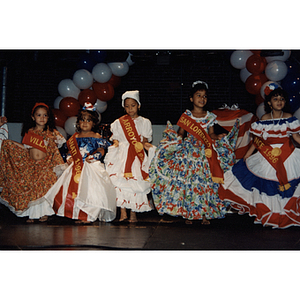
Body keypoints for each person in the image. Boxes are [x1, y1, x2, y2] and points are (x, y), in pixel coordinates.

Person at [149, 81, 239, 225]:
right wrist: (172, 141)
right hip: (188, 152)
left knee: (204, 183)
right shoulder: (186, 115)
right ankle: (188, 213)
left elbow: (211, 135)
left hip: (204, 153)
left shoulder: (209, 116)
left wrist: (219, 137)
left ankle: (204, 214)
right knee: (188, 183)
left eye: (204, 96)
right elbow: (181, 133)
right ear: (191, 98)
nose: (202, 99)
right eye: (199, 95)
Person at [219, 86, 300, 228]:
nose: (279, 102)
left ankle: (284, 213)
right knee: (268, 186)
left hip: (288, 156)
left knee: (285, 184)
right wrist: (248, 154)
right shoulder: (264, 119)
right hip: (267, 156)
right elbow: (258, 141)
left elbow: (296, 137)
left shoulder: (289, 117)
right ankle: (271, 213)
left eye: (281, 99)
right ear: (269, 103)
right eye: (275, 99)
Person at [43, 102, 116, 223]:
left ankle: (89, 215)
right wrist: (69, 157)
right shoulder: (74, 137)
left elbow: (102, 149)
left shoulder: (96, 136)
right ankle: (78, 214)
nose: (85, 123)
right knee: (73, 190)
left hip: (91, 166)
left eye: (88, 120)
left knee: (91, 191)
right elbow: (70, 151)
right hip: (76, 167)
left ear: (94, 123)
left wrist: (96, 156)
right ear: (78, 122)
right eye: (82, 120)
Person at [0, 102, 66, 222]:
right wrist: (10, 143)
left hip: (45, 165)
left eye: (45, 115)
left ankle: (44, 213)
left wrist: (53, 139)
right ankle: (31, 214)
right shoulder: (29, 132)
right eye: (39, 115)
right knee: (30, 188)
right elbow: (26, 148)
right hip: (31, 164)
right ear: (33, 117)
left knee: (43, 188)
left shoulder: (52, 132)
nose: (42, 118)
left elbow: (60, 143)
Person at [104, 90, 156, 223]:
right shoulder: (118, 122)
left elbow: (144, 140)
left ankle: (133, 211)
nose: (130, 108)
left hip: (136, 156)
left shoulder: (145, 122)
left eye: (133, 105)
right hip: (122, 155)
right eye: (127, 106)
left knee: (134, 182)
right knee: (120, 182)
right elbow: (116, 139)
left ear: (138, 105)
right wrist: (114, 146)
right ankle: (122, 211)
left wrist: (148, 147)